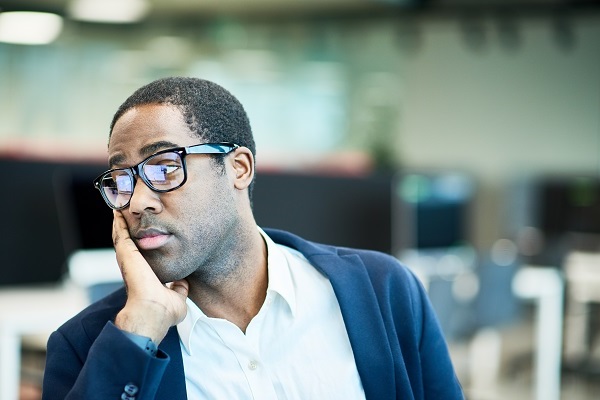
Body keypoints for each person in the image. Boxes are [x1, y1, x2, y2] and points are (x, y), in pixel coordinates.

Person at [42, 77, 464, 400]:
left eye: (165, 167)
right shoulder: (89, 344)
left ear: (239, 168)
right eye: (121, 179)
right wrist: (137, 334)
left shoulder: (381, 290)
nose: (136, 202)